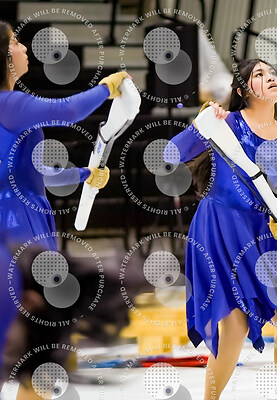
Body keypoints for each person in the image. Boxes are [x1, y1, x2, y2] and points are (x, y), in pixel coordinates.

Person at [165, 58, 277, 399]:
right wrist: (201, 123)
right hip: (219, 227)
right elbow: (172, 153)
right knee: (234, 324)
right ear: (243, 91)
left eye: (272, 73)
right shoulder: (227, 123)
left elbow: (273, 197)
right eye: (259, 74)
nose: (270, 77)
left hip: (258, 234)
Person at [0, 19, 128, 391]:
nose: (24, 48)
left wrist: (84, 174)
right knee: (32, 339)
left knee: (35, 347)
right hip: (16, 224)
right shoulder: (8, 104)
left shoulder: (11, 109)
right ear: (3, 54)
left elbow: (40, 172)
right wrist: (106, 89)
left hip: (28, 216)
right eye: (16, 42)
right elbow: (69, 110)